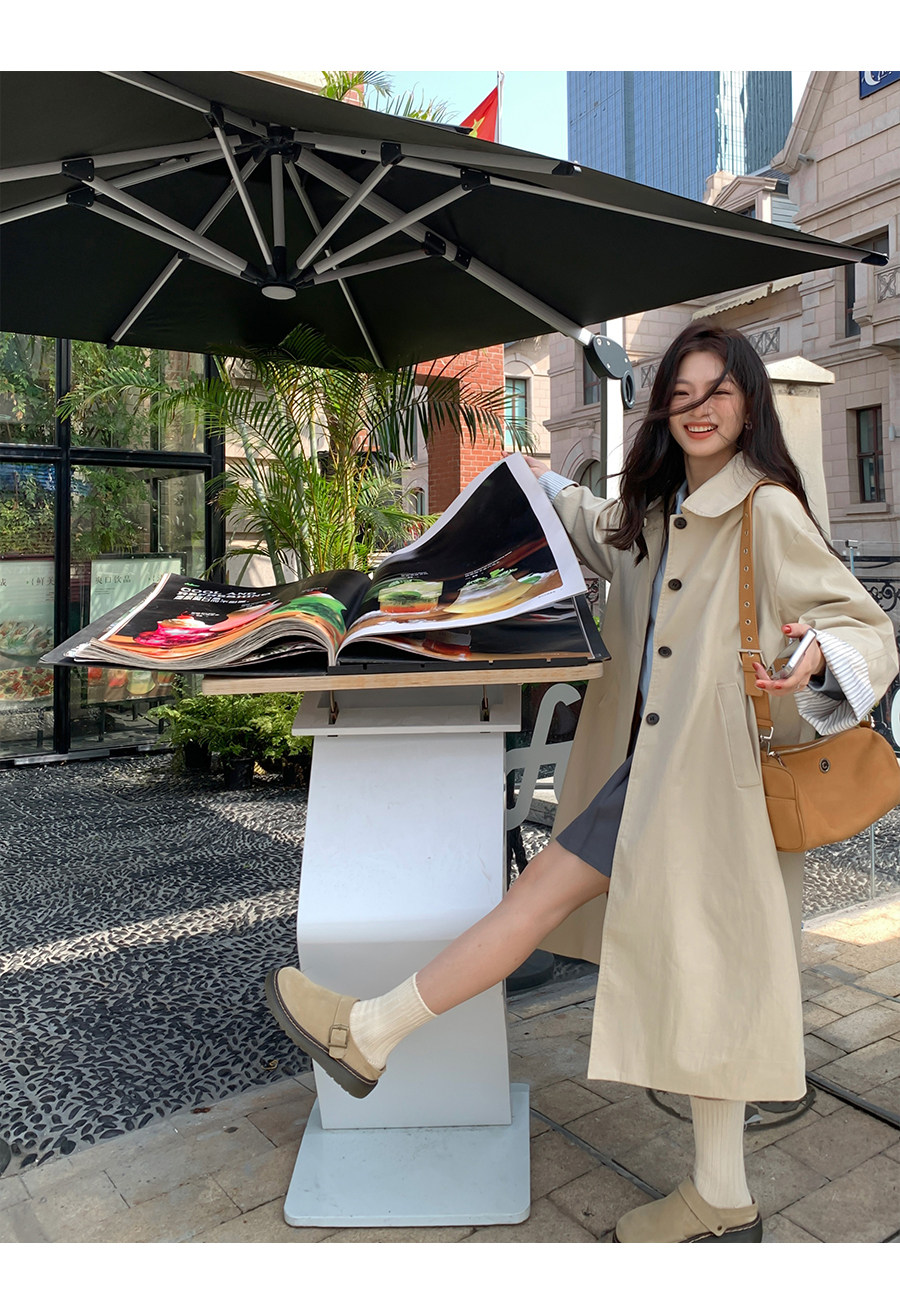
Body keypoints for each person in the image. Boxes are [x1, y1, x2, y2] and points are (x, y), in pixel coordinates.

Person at [265, 321, 898, 1243]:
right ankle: (722, 1200)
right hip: (651, 777)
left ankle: (370, 1032)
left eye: (718, 392)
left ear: (748, 403)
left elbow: (865, 625)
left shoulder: (766, 510)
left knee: (568, 914)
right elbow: (593, 529)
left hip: (709, 782)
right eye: (681, 395)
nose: (699, 410)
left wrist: (816, 654)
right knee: (701, 974)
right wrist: (538, 479)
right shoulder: (655, 513)